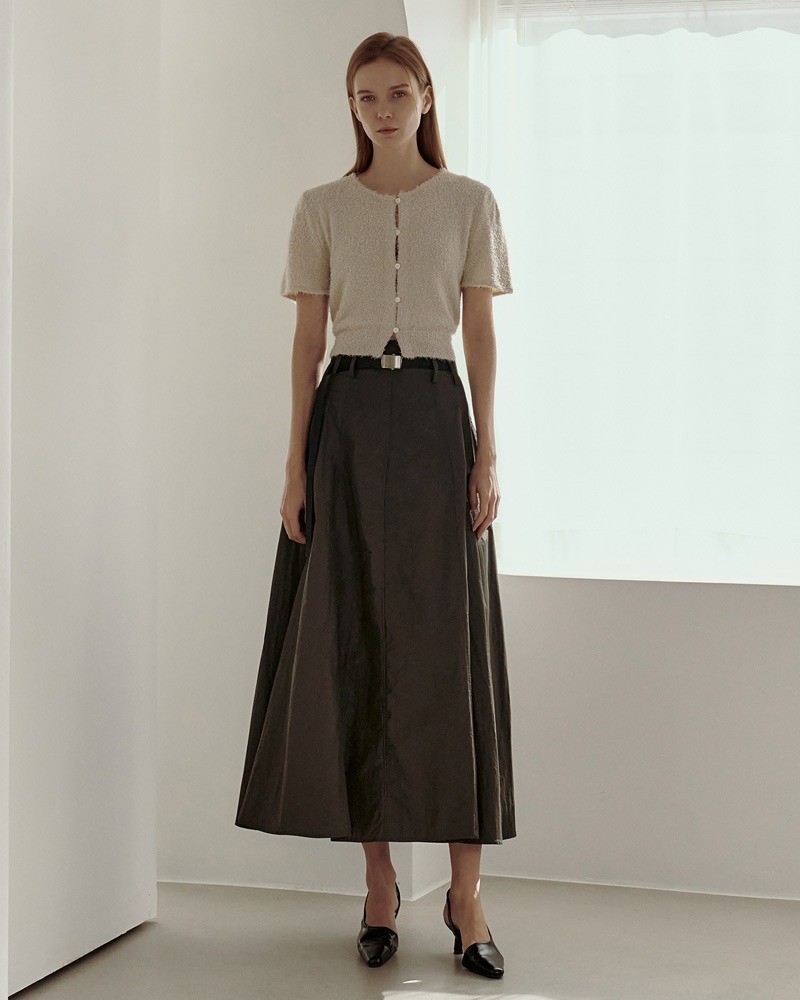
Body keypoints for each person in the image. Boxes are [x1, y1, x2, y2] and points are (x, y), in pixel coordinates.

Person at [235, 31, 516, 980]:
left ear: (426, 95)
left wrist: (487, 450)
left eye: (399, 93)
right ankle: (381, 886)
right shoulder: (321, 207)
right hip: (347, 421)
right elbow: (305, 343)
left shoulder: (470, 202)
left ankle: (467, 899)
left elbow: (481, 333)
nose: (383, 110)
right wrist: (294, 466)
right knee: (353, 638)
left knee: (450, 648)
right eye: (366, 97)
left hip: (438, 417)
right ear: (351, 106)